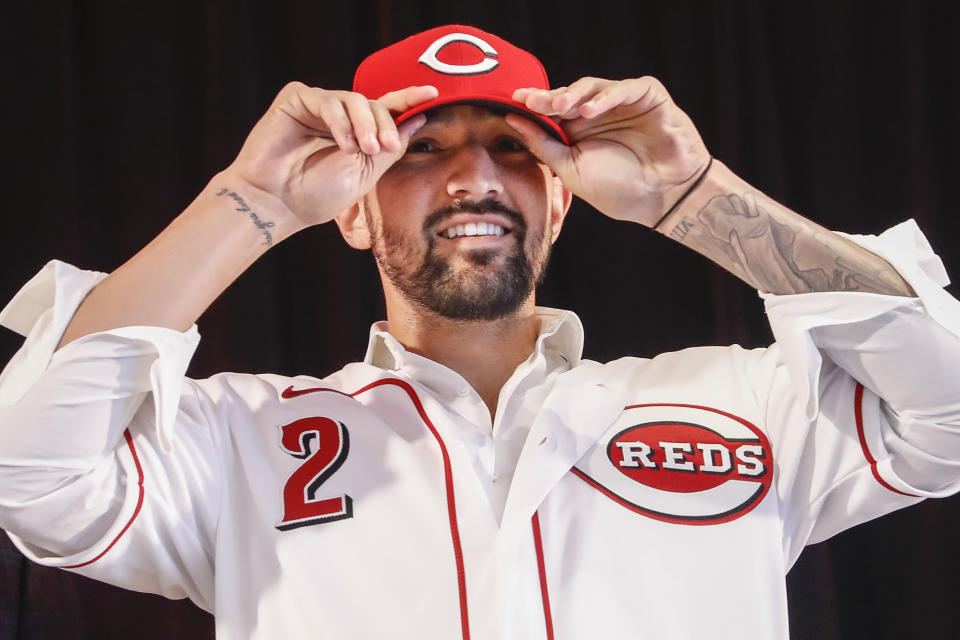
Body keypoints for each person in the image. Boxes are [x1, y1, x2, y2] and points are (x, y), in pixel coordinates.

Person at [1, 23, 959, 639]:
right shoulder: (238, 442)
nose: (474, 180)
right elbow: (27, 470)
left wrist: (695, 199)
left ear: (563, 197)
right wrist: (249, 201)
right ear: (353, 209)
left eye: (512, 146)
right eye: (421, 149)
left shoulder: (743, 403)